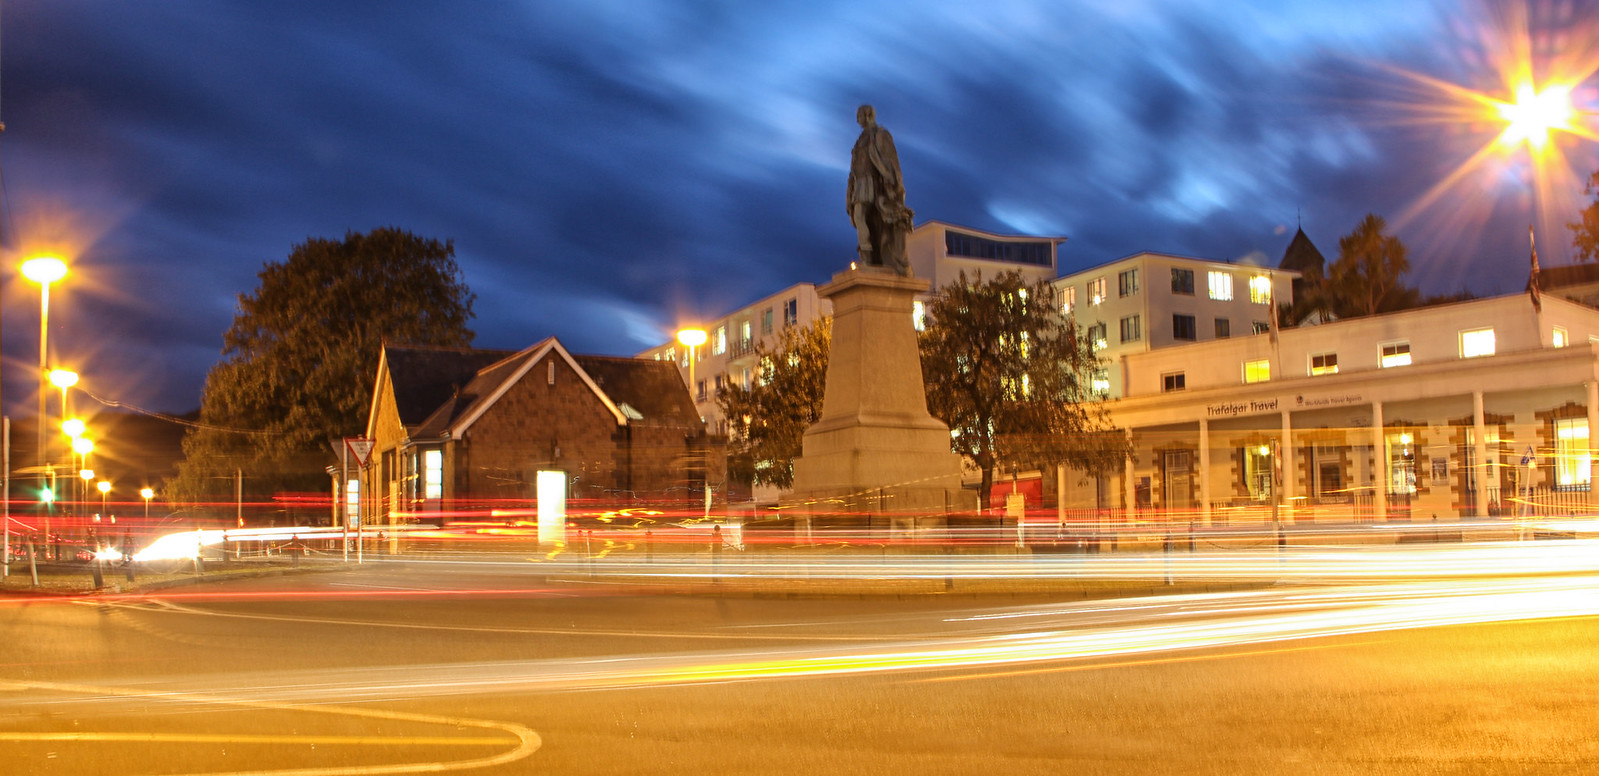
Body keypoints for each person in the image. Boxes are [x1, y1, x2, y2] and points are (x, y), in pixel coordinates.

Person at [847, 104, 914, 275]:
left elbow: (890, 163)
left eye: (859, 115)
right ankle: (867, 254)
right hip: (860, 182)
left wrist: (892, 185)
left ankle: (867, 255)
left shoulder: (879, 135)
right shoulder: (860, 139)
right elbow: (854, 167)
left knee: (860, 215)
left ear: (867, 115)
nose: (857, 120)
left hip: (872, 183)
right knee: (861, 217)